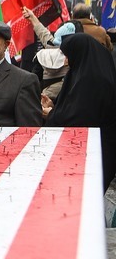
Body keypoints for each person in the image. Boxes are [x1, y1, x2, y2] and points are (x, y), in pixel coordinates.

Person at [42, 33, 116, 192]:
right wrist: (55, 107)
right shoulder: (82, 72)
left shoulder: (94, 80)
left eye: (68, 55)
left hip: (95, 155)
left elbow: (80, 119)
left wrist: (51, 114)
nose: (65, 61)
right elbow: (74, 107)